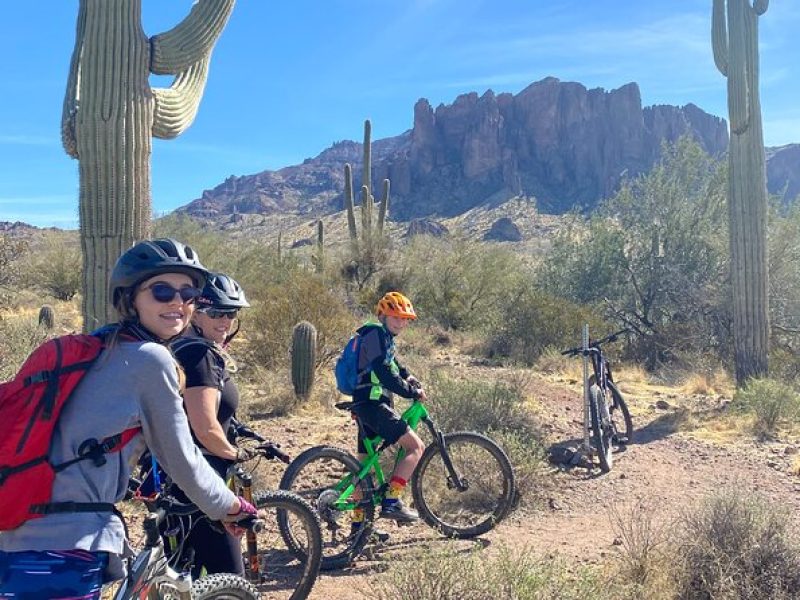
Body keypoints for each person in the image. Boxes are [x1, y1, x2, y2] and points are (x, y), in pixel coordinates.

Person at [0, 239, 257, 599]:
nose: (178, 303)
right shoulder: (150, 359)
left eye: (189, 293)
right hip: (63, 546)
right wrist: (230, 506)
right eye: (162, 291)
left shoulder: (97, 349)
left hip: (14, 530)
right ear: (131, 298)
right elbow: (181, 459)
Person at [166, 272, 253, 578]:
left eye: (231, 313)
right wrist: (235, 453)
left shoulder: (184, 345)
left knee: (185, 577)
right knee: (231, 581)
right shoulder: (200, 355)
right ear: (197, 313)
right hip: (201, 483)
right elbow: (204, 428)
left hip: (178, 480)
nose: (225, 321)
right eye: (216, 312)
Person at [349, 291, 426, 536]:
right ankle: (392, 500)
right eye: (395, 316)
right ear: (382, 314)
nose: (400, 322)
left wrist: (408, 376)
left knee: (362, 467)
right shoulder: (374, 334)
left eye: (404, 319)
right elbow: (383, 372)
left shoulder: (381, 337)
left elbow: (392, 364)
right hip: (372, 405)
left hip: (364, 405)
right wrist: (410, 392)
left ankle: (359, 527)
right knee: (415, 447)